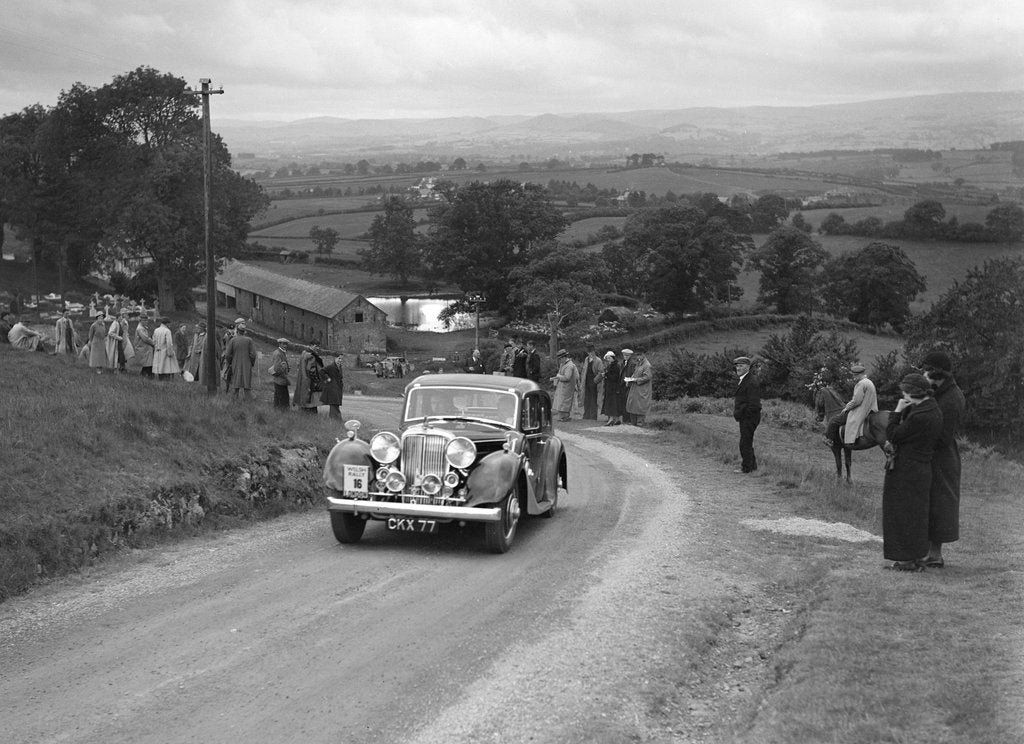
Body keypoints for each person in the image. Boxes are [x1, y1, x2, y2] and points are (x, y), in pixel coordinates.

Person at [882, 373, 944, 571]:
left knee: (901, 513)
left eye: (905, 392)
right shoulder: (933, 409)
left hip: (907, 470)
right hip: (922, 468)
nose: (903, 396)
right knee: (916, 514)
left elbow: (893, 434)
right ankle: (915, 557)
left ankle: (906, 560)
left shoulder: (919, 415)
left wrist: (897, 412)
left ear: (913, 393)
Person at [920, 350, 967, 568]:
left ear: (937, 373)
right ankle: (930, 553)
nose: (923, 374)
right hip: (935, 456)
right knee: (931, 503)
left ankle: (935, 555)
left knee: (940, 504)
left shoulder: (952, 398)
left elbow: (943, 436)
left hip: (942, 458)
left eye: (927, 370)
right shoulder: (942, 393)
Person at [825, 363, 878, 447]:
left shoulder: (860, 384)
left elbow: (856, 401)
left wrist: (847, 407)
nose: (853, 378)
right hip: (871, 409)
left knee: (833, 420)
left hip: (860, 411)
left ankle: (830, 440)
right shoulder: (869, 382)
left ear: (859, 375)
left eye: (854, 375)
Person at [733, 356, 762, 474]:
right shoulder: (744, 379)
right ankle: (752, 466)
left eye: (741, 366)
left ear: (748, 367)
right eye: (737, 366)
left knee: (745, 442)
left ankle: (747, 467)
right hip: (746, 416)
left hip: (749, 417)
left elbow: (754, 404)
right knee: (747, 441)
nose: (738, 368)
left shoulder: (751, 381)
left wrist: (743, 414)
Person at [223, 323, 257, 399]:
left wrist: (230, 362)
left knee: (236, 382)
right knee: (247, 383)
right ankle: (248, 399)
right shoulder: (249, 340)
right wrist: (251, 363)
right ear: (244, 332)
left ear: (237, 331)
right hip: (247, 364)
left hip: (235, 363)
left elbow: (227, 354)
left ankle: (235, 400)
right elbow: (253, 354)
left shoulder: (233, 340)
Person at [293, 341, 325, 413]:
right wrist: (317, 380)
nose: (318, 348)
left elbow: (299, 366)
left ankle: (304, 413)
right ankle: (311, 415)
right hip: (309, 381)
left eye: (318, 346)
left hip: (303, 380)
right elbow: (312, 370)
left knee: (303, 399)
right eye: (316, 346)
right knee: (311, 402)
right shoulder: (311, 356)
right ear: (311, 345)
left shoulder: (303, 353)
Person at [624, 346, 653, 427]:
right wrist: (630, 379)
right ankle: (633, 423)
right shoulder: (638, 363)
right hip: (635, 388)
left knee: (640, 406)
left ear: (643, 355)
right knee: (632, 404)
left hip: (642, 389)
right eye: (637, 355)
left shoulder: (647, 365)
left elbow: (648, 377)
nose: (638, 357)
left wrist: (636, 380)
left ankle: (640, 423)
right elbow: (635, 372)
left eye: (639, 355)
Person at [550, 348, 579, 422]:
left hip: (567, 387)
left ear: (564, 357)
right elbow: (560, 374)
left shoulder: (569, 365)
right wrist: (555, 378)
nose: (559, 360)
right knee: (561, 402)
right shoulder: (563, 364)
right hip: (562, 387)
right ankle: (562, 417)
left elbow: (567, 377)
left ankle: (565, 417)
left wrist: (558, 377)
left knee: (565, 402)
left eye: (560, 358)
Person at [152, 317, 180, 381]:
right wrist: (170, 353)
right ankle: (166, 380)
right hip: (165, 351)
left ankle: (160, 379)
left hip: (158, 351)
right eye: (169, 324)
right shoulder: (167, 331)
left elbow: (154, 341)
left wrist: (156, 347)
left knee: (159, 367)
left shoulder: (156, 330)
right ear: (167, 324)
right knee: (166, 367)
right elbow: (169, 343)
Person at [581, 344, 604, 420]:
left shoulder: (598, 360)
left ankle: (593, 416)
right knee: (586, 399)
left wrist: (595, 381)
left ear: (594, 351)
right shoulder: (586, 359)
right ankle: (586, 415)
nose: (590, 354)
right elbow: (584, 371)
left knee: (594, 400)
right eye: (588, 352)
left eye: (591, 352)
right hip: (586, 382)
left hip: (594, 383)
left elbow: (601, 372)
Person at [601, 350, 624, 426]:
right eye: (607, 358)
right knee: (614, 403)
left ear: (612, 358)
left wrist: (606, 374)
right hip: (612, 387)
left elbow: (614, 378)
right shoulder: (613, 365)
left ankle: (611, 420)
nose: (607, 360)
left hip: (613, 388)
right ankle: (616, 419)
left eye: (608, 358)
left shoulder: (615, 366)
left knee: (611, 403)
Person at [269, 338, 291, 409]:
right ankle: (282, 411)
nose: (285, 345)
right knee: (282, 398)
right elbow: (277, 368)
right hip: (280, 379)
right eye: (283, 344)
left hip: (281, 379)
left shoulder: (282, 352)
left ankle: (278, 411)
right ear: (279, 344)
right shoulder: (278, 353)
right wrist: (283, 374)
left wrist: (287, 368)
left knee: (279, 397)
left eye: (286, 344)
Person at [620, 349, 636, 424]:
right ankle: (625, 418)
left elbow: (633, 374)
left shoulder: (632, 363)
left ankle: (628, 419)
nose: (625, 357)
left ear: (630, 356)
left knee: (628, 402)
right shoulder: (623, 362)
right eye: (624, 355)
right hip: (623, 384)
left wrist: (628, 381)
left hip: (628, 385)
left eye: (627, 355)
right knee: (623, 401)